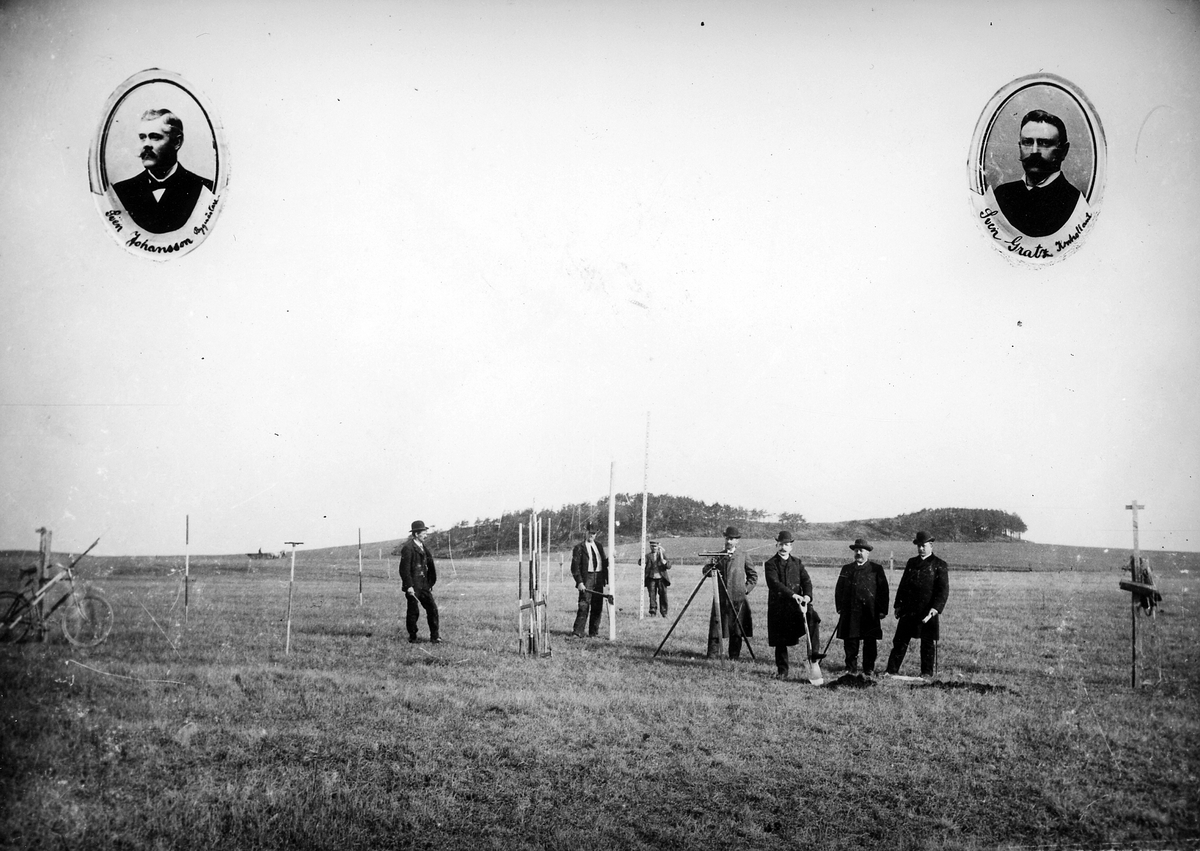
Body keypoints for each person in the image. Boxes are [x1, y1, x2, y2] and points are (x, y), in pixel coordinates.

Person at [112, 108, 214, 234]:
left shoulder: (205, 190)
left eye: (155, 137)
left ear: (177, 142)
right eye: (142, 138)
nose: (146, 145)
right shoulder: (121, 192)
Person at [993, 109, 1084, 238]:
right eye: (1028, 142)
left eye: (1045, 143)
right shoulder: (1001, 195)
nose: (1034, 151)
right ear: (1020, 147)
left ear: (1063, 151)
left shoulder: (1076, 203)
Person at [886, 531, 949, 677]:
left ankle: (926, 673)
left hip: (927, 611)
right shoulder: (911, 562)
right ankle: (891, 670)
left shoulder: (940, 564)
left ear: (931, 546)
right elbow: (903, 585)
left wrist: (936, 608)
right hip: (908, 610)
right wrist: (898, 605)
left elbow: (943, 590)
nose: (921, 549)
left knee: (927, 643)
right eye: (919, 546)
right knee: (900, 641)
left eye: (923, 546)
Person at [764, 530, 821, 680]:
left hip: (797, 607)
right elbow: (774, 584)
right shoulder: (770, 564)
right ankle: (782, 671)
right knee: (780, 640)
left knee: (813, 618)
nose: (784, 547)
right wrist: (793, 595)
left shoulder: (797, 562)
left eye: (787, 544)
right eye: (781, 544)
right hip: (779, 607)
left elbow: (806, 581)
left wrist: (807, 596)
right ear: (777, 544)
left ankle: (814, 655)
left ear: (791, 547)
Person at [834, 538, 889, 676]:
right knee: (850, 641)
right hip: (850, 611)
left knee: (870, 641)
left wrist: (882, 610)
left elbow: (884, 591)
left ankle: (868, 668)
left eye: (862, 550)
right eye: (856, 550)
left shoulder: (876, 569)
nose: (859, 553)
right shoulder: (846, 569)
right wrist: (839, 606)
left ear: (868, 553)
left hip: (870, 611)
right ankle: (850, 667)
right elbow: (839, 589)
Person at [706, 526, 757, 659]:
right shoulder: (718, 555)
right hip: (721, 598)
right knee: (716, 626)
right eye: (727, 538)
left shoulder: (743, 555)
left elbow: (753, 576)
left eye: (732, 539)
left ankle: (734, 656)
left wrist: (745, 589)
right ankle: (712, 654)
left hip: (738, 598)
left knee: (737, 628)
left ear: (737, 541)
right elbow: (706, 572)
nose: (729, 541)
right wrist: (711, 565)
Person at [398, 520, 440, 644]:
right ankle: (413, 637)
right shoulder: (408, 548)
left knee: (432, 609)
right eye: (424, 533)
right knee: (413, 612)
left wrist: (429, 583)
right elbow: (404, 569)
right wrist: (409, 586)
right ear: (416, 534)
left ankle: (435, 637)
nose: (426, 535)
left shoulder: (423, 547)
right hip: (413, 586)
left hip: (424, 586)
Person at [570, 523, 609, 638]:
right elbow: (575, 567)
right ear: (585, 533)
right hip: (587, 578)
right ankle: (578, 632)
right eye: (590, 532)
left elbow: (604, 563)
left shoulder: (599, 546)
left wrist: (611, 558)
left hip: (599, 578)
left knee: (597, 606)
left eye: (594, 533)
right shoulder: (579, 547)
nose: (592, 535)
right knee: (584, 605)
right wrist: (580, 582)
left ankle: (593, 632)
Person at [642, 540, 671, 617]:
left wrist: (663, 561)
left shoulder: (662, 555)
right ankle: (653, 612)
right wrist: (642, 560)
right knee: (652, 596)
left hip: (661, 579)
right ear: (650, 547)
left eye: (655, 546)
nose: (654, 548)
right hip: (651, 578)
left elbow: (669, 566)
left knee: (663, 596)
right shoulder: (648, 556)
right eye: (652, 546)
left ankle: (664, 612)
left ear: (658, 547)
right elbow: (640, 562)